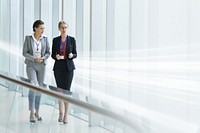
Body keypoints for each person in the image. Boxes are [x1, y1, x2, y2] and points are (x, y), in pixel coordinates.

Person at [22, 20, 50, 123]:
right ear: (35, 28)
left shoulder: (45, 39)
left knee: (40, 88)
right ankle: (31, 112)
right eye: (41, 28)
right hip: (31, 65)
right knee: (33, 86)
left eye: (43, 28)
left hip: (42, 65)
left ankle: (37, 111)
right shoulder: (28, 39)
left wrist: (43, 58)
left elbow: (48, 52)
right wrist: (34, 58)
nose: (43, 30)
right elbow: (24, 52)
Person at [51, 20, 77, 124]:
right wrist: (55, 56)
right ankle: (60, 113)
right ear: (59, 28)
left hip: (68, 68)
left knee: (66, 92)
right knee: (59, 92)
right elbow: (53, 54)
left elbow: (75, 53)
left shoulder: (71, 39)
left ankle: (66, 114)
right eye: (62, 27)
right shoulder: (55, 40)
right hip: (58, 68)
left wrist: (72, 55)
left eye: (65, 27)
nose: (64, 29)